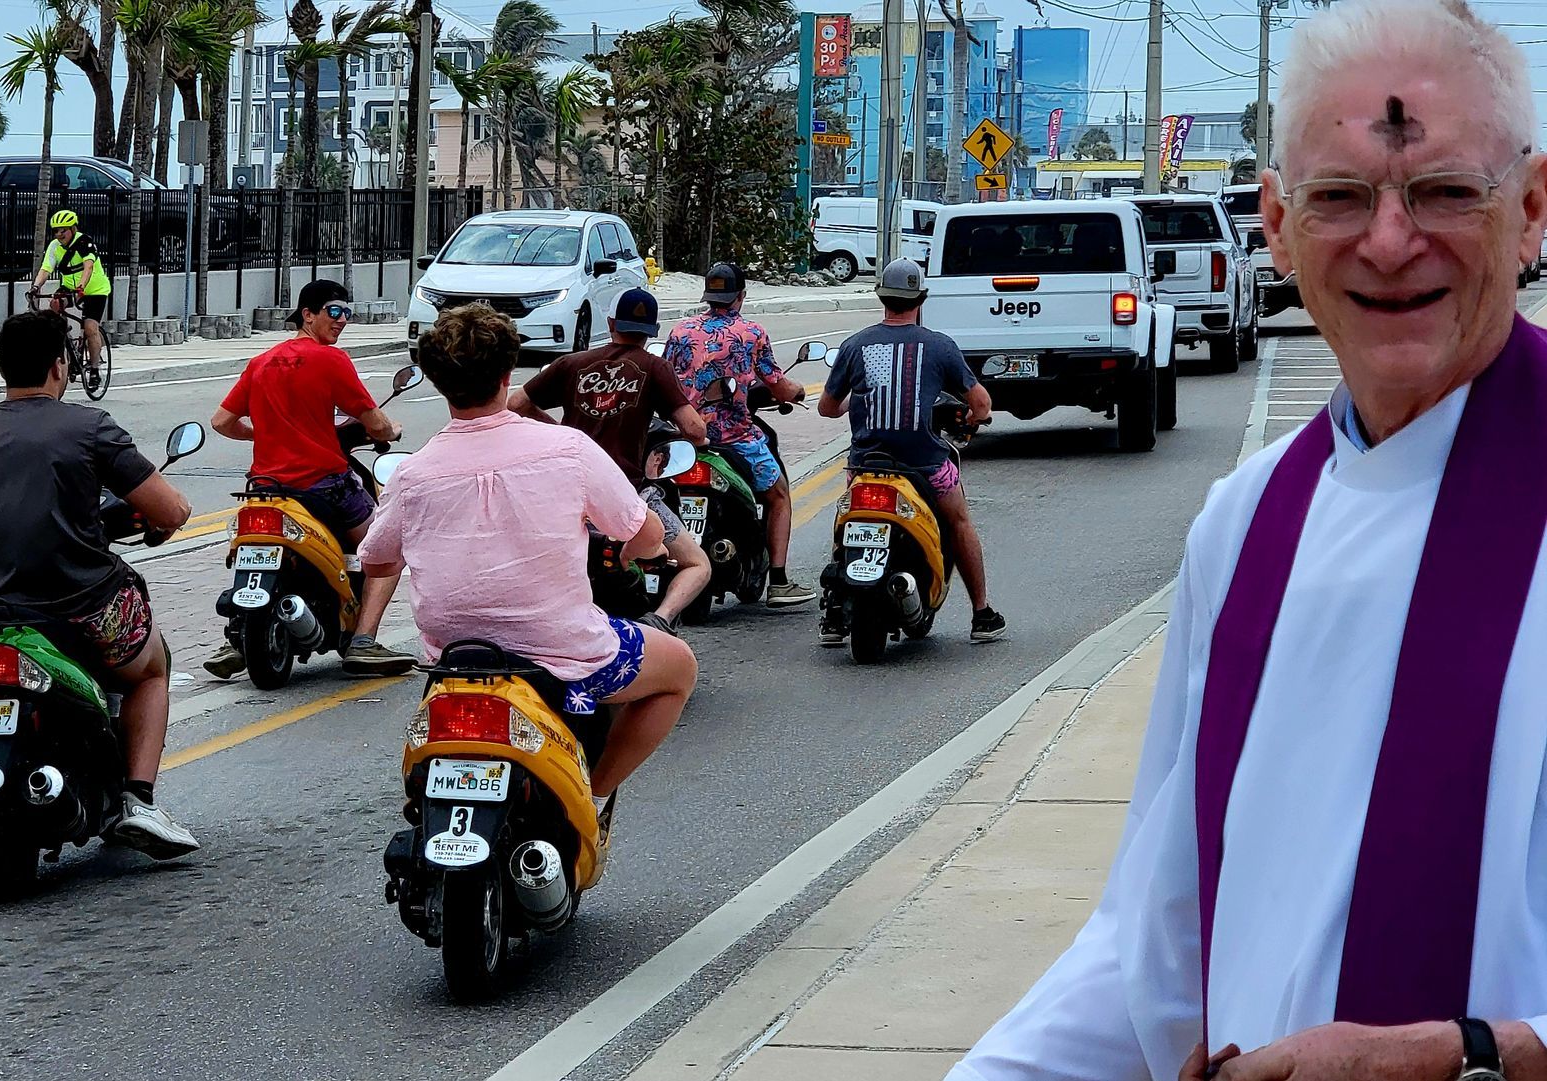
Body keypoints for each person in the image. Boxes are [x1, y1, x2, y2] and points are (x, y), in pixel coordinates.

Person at [950, 2, 1547, 1079]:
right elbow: (1155, 938)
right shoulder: (1245, 522)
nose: (1392, 240)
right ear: (1274, 225)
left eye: (1448, 191)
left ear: (1535, 207)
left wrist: (1481, 1055)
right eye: (1340, 197)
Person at [360, 302, 699, 828]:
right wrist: (636, 553)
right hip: (557, 643)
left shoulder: (413, 473)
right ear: (506, 374)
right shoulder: (567, 448)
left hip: (452, 653)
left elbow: (378, 561)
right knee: (678, 668)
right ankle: (594, 796)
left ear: (437, 381)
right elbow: (646, 533)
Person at [0, 310, 199, 861]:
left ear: (1, 370)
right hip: (86, 609)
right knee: (153, 667)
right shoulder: (89, 427)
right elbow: (173, 509)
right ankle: (138, 799)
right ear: (60, 365)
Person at [204, 279, 414, 678]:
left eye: (347, 313)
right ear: (308, 314)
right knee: (386, 550)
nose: (342, 320)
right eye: (334, 311)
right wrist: (392, 430)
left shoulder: (261, 362)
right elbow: (375, 422)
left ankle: (236, 636)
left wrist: (262, 433)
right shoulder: (331, 361)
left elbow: (221, 422)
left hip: (264, 491)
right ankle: (364, 641)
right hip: (324, 487)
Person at [817, 259, 1005, 644]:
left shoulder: (855, 345)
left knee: (849, 522)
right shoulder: (939, 346)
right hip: (924, 462)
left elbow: (827, 407)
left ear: (881, 296)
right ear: (921, 298)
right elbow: (982, 405)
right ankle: (982, 612)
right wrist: (971, 418)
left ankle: (834, 613)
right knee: (959, 523)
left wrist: (863, 394)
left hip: (864, 464)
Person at [508, 287, 714, 633]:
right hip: (629, 496)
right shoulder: (653, 367)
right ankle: (660, 619)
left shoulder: (572, 363)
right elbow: (694, 430)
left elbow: (516, 404)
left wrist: (561, 432)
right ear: (652, 331)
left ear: (611, 322)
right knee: (697, 564)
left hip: (570, 496)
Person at [662, 263, 814, 607]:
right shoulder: (751, 333)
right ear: (740, 297)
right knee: (778, 495)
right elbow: (777, 384)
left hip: (685, 437)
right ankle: (778, 580)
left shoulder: (680, 332)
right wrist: (798, 391)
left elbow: (666, 379)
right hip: (736, 438)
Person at [28, 209, 111, 376]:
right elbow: (46, 269)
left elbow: (88, 267)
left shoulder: (85, 242)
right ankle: (64, 338)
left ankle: (94, 369)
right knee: (55, 305)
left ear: (73, 229)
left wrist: (81, 287)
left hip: (95, 290)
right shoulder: (54, 246)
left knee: (89, 328)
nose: (59, 234)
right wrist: (35, 287)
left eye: (63, 230)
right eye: (56, 231)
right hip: (69, 287)